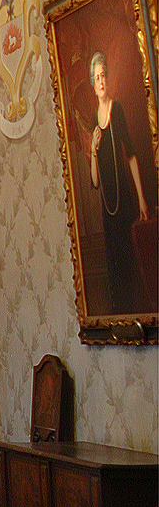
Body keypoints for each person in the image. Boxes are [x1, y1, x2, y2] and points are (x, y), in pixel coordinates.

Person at [87, 51, 150, 313]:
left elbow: (132, 155)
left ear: (108, 79)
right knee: (115, 267)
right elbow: (94, 182)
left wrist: (142, 198)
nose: (101, 81)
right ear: (93, 85)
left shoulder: (118, 109)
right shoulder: (94, 121)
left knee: (130, 262)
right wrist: (92, 148)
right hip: (108, 208)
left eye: (104, 75)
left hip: (123, 201)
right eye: (97, 78)